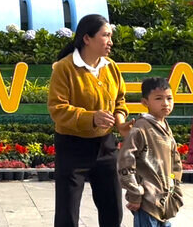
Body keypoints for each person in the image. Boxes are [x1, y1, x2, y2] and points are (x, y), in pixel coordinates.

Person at [48, 14, 132, 227]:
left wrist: (120, 123)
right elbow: (58, 109)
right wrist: (91, 118)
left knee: (113, 210)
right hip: (72, 147)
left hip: (106, 146)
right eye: (105, 35)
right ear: (87, 38)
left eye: (110, 36)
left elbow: (120, 101)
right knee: (67, 214)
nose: (110, 41)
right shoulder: (64, 68)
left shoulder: (111, 67)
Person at [118, 77, 183, 227]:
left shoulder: (165, 127)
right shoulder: (141, 128)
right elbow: (126, 161)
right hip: (147, 201)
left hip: (165, 200)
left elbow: (175, 163)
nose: (165, 103)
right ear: (145, 102)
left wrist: (175, 189)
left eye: (169, 98)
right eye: (159, 98)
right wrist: (135, 193)